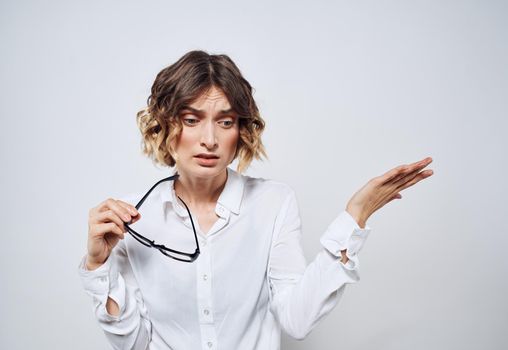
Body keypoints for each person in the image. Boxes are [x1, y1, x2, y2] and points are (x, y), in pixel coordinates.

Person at [78, 50, 434, 350]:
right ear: (166, 127)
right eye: (191, 119)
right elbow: (134, 343)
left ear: (241, 131)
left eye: (226, 122)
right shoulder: (131, 219)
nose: (209, 139)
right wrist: (98, 266)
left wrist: (354, 218)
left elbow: (296, 320)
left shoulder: (272, 203)